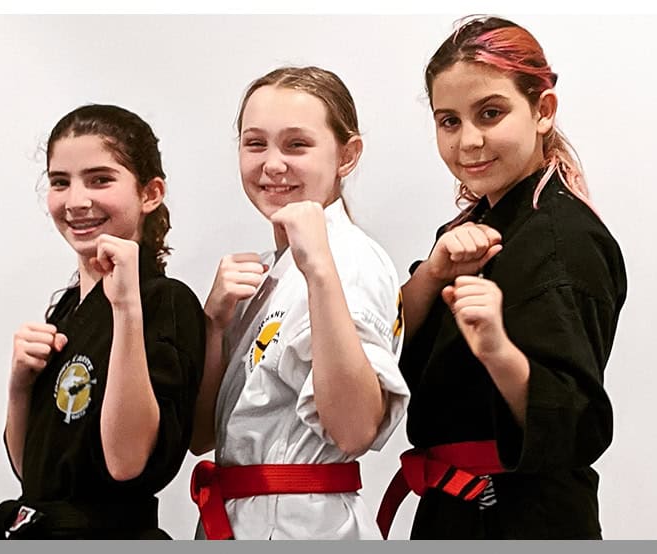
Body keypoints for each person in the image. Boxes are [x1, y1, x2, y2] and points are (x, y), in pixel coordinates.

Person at [376, 16, 627, 539]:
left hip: (522, 519)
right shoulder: (468, 230)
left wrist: (497, 348)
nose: (469, 141)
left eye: (490, 113)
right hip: (454, 509)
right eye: (449, 121)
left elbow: (577, 423)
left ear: (543, 110)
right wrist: (434, 274)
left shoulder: (564, 239)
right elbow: (382, 353)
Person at [189, 66, 410, 540]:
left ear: (347, 155)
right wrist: (213, 324)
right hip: (246, 515)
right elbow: (201, 437)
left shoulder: (348, 262)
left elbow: (354, 432)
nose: (272, 164)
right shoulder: (269, 271)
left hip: (299, 524)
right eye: (255, 144)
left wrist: (322, 274)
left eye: (296, 145)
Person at [0, 104, 205, 539]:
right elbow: (33, 474)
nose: (76, 201)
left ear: (150, 193)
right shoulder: (66, 311)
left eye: (100, 179)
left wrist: (125, 310)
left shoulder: (165, 302)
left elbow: (126, 463)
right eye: (60, 182)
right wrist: (19, 386)